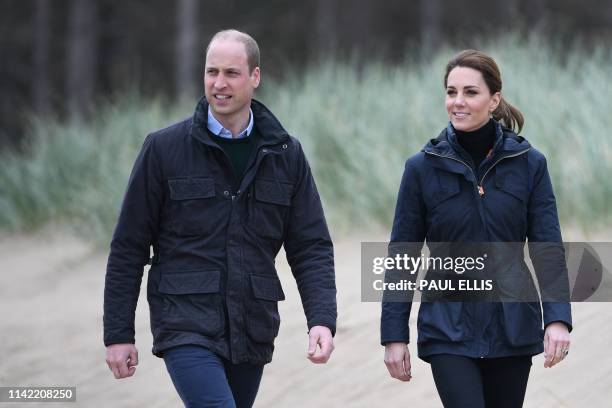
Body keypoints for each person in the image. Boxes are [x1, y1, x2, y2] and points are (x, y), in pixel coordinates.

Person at [104, 29, 337, 408]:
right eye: (212, 72)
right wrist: (118, 333)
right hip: (184, 322)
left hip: (252, 327)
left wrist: (322, 320)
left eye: (231, 73)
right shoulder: (164, 148)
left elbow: (311, 247)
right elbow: (128, 246)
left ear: (255, 77)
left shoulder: (285, 153)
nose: (219, 83)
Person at [380, 49, 572, 408]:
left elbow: (548, 246)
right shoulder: (422, 167)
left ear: (494, 99)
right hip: (447, 327)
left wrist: (557, 318)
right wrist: (394, 335)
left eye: (470, 92)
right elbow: (402, 255)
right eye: (451, 92)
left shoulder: (529, 164)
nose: (458, 102)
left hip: (512, 326)